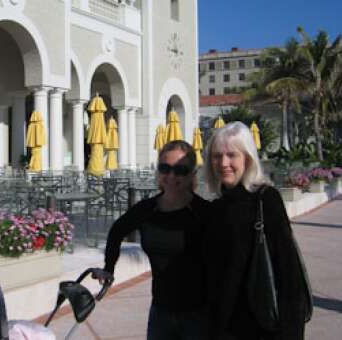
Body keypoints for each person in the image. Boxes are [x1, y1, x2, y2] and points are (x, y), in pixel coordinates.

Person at [204, 121, 307, 340]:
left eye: (232, 155)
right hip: (224, 327)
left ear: (248, 158)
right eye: (217, 156)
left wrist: (292, 331)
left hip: (262, 327)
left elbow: (289, 271)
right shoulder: (216, 208)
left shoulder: (266, 199)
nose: (223, 163)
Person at [98, 140, 210, 340]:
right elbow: (117, 231)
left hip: (199, 314)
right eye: (165, 168)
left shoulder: (204, 212)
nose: (172, 176)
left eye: (180, 170)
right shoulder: (147, 209)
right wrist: (109, 268)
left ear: (192, 174)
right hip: (160, 312)